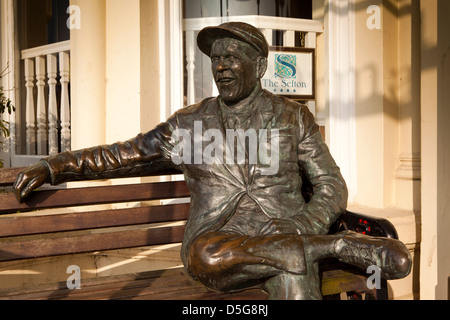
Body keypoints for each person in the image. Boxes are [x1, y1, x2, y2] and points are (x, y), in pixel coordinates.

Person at [13, 22, 411, 299]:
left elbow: (330, 184)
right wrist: (55, 165)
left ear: (260, 66)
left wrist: (302, 223)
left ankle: (304, 246)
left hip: (287, 234)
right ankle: (331, 246)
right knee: (205, 255)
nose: (220, 66)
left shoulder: (292, 117)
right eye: (215, 59)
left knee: (292, 273)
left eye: (231, 57)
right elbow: (122, 155)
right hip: (221, 246)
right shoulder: (190, 125)